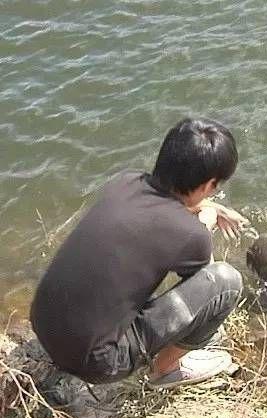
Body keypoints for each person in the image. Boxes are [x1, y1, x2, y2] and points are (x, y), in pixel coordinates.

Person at [30, 118, 248, 389]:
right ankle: (165, 370)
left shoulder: (126, 181)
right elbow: (205, 281)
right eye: (216, 186)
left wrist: (209, 205)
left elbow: (163, 206)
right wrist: (206, 223)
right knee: (227, 282)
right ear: (208, 184)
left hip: (43, 325)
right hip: (98, 362)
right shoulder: (192, 235)